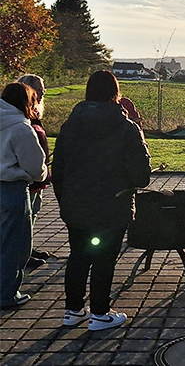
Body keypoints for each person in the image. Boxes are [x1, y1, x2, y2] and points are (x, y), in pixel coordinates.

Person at [52, 70, 151, 330]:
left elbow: (57, 169)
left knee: (78, 256)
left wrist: (65, 200)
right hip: (112, 205)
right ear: (115, 93)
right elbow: (141, 177)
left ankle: (73, 310)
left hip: (75, 205)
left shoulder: (69, 125)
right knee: (104, 259)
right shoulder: (126, 128)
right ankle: (99, 313)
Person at [0, 82, 48, 309]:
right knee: (15, 245)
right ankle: (7, 293)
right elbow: (36, 170)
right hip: (11, 189)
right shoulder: (21, 128)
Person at [17, 74, 53, 268]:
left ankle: (27, 248)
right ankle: (22, 254)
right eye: (38, 89)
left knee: (33, 214)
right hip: (26, 177)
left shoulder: (34, 112)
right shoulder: (21, 116)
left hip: (37, 176)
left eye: (43, 89)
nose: (42, 92)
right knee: (24, 218)